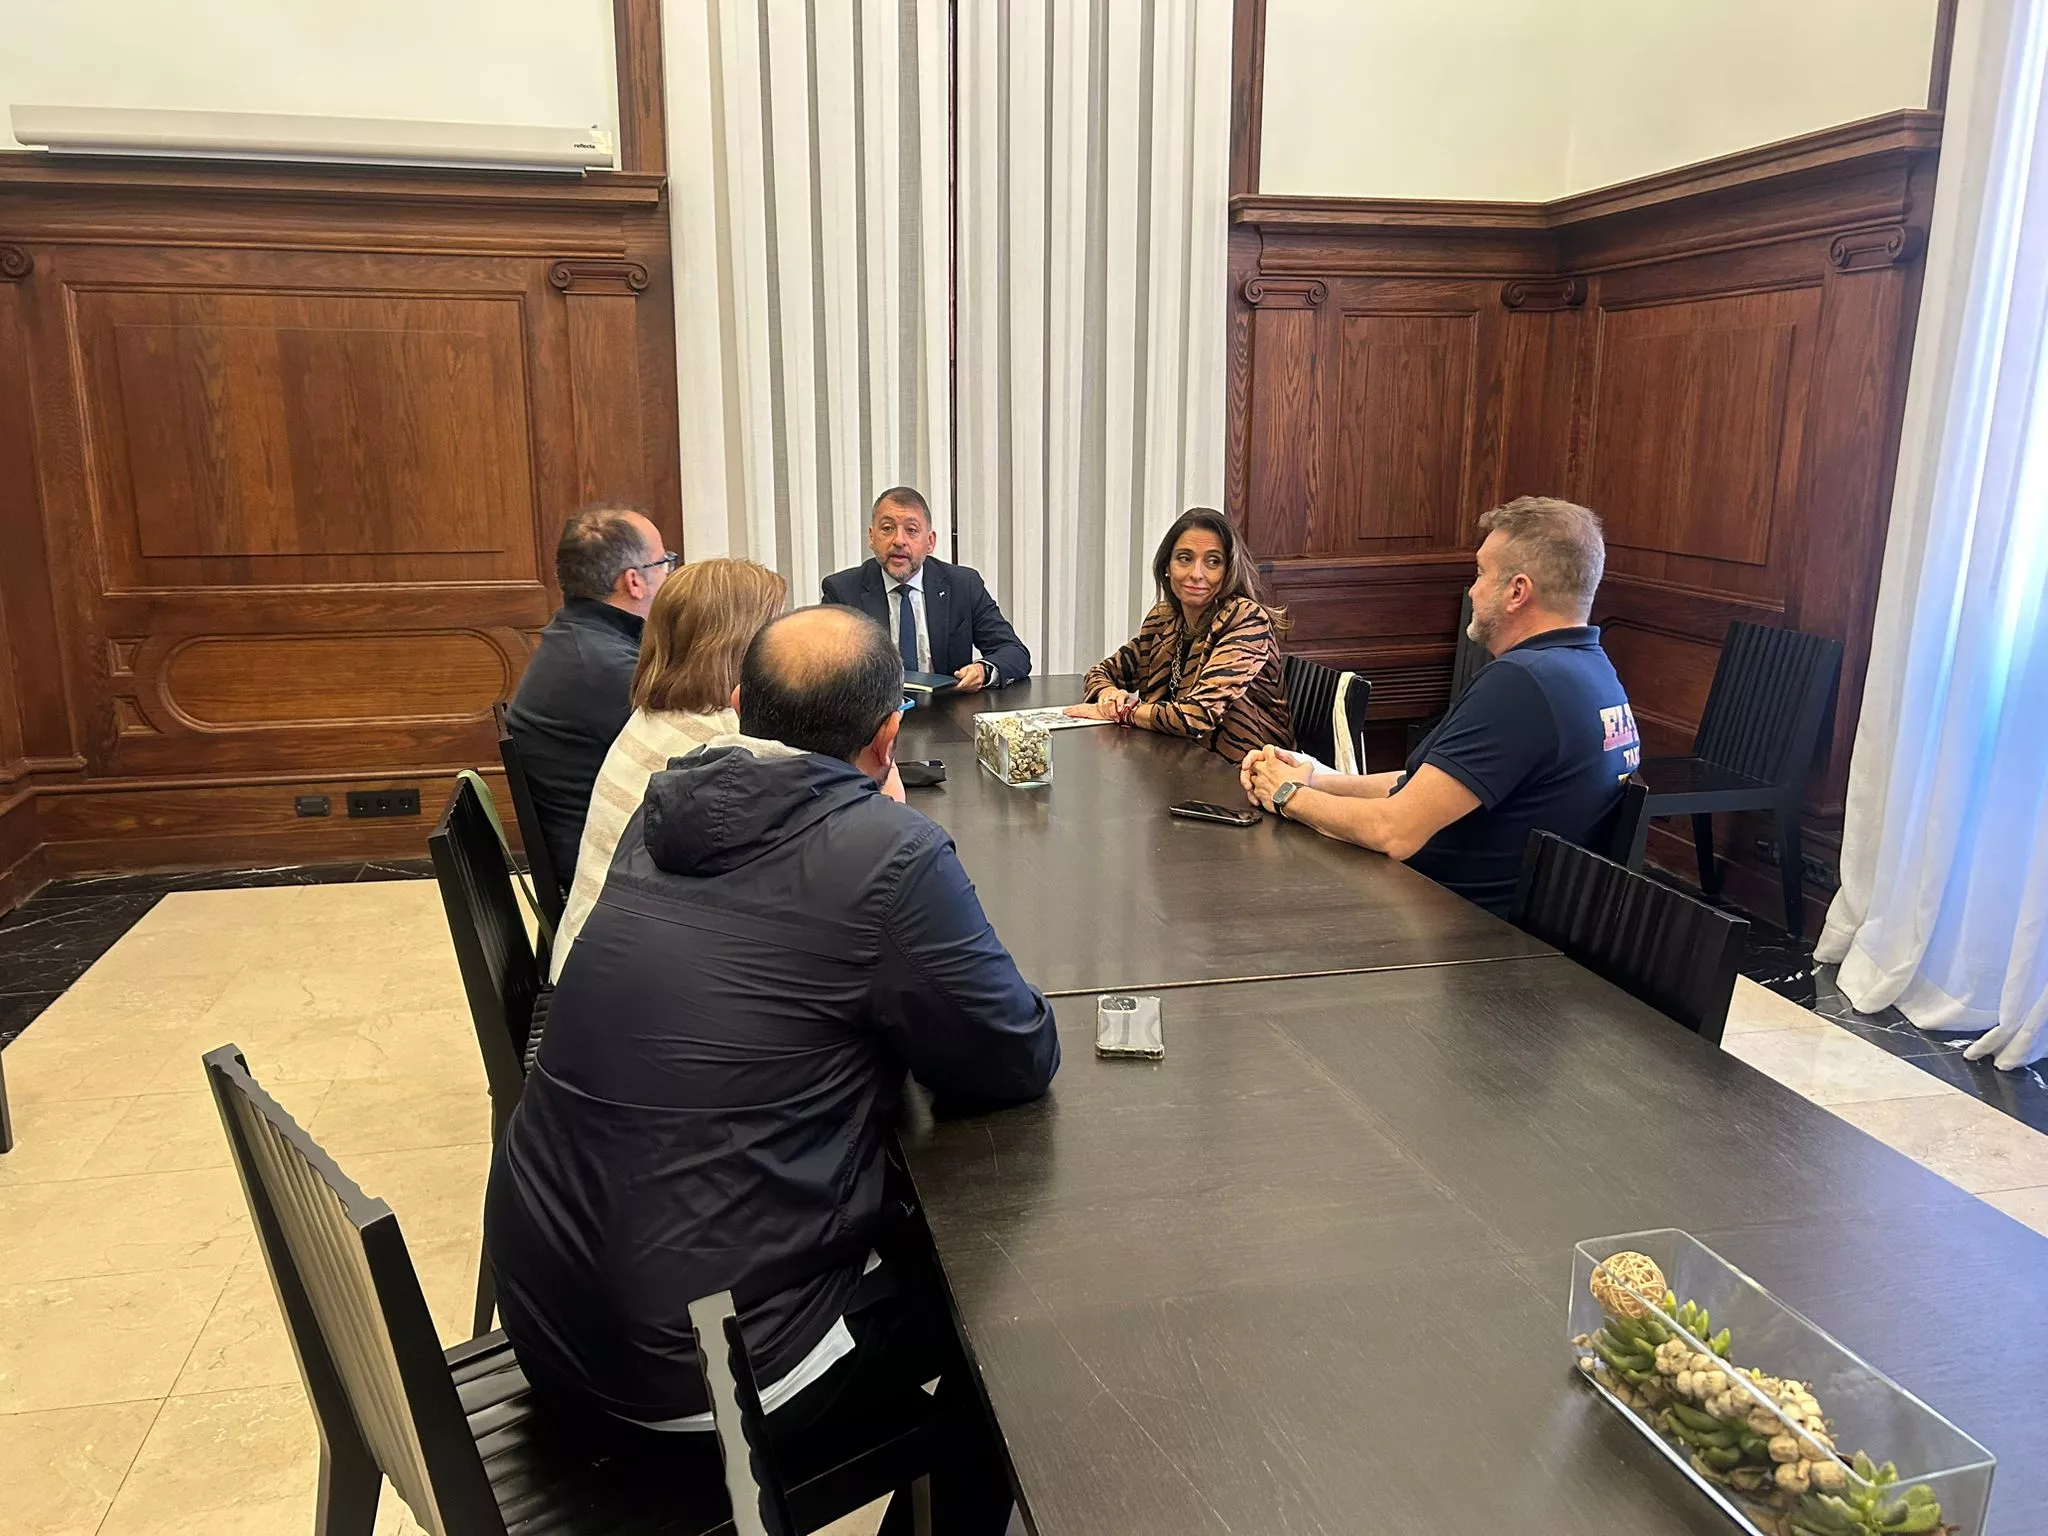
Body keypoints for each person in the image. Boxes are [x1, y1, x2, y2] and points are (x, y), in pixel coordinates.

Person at [485, 604, 1058, 1533]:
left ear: (743, 705)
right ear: (888, 735)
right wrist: (895, 840)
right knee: (1007, 1316)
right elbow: (1013, 1057)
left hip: (550, 1327)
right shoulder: (888, 855)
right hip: (702, 1382)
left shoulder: (659, 816)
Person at [1241, 496, 1639, 915]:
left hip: (1458, 938)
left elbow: (1395, 831)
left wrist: (1287, 794)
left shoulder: (1522, 684)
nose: (1473, 589)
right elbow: (1430, 784)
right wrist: (1317, 779)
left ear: (1517, 591)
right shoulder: (1592, 672)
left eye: (1482, 573)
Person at [548, 557, 787, 980]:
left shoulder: (660, 716)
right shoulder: (722, 744)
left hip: (593, 954)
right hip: (625, 983)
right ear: (743, 646)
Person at [505, 504, 677, 889]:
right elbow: (694, 761)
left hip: (603, 852)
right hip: (607, 879)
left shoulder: (580, 637)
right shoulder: (606, 667)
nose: (670, 574)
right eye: (665, 562)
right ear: (635, 581)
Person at [1067, 507, 1294, 760]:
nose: (1196, 574)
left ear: (1228, 571)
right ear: (1167, 567)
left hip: (1248, 775)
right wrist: (1108, 695)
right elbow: (1101, 672)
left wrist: (1122, 712)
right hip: (1175, 764)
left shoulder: (1246, 619)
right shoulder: (1164, 618)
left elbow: (1196, 716)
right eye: (1185, 558)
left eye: (1213, 562)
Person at [821, 486, 1031, 690]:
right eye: (887, 529)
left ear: (930, 542)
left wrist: (983, 671)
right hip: (873, 716)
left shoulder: (963, 585)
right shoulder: (842, 591)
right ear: (871, 537)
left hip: (947, 712)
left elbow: (1013, 652)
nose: (899, 541)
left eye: (911, 530)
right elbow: (823, 667)